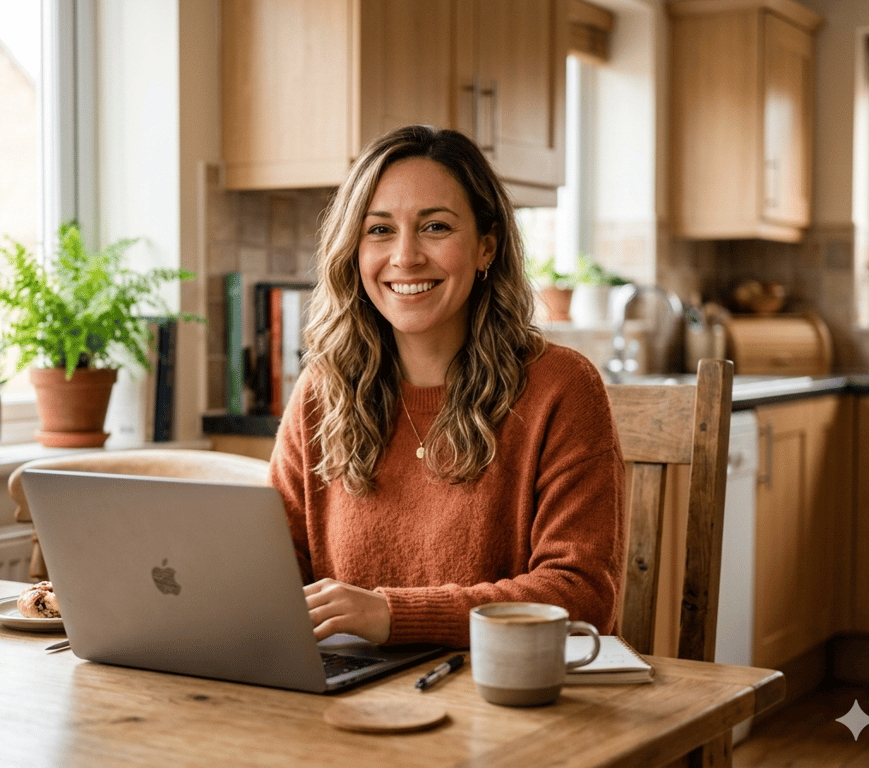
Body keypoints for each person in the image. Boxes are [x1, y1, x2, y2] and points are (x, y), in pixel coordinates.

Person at [268, 125, 626, 649]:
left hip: (506, 689)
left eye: (435, 227)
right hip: (352, 689)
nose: (405, 256)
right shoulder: (322, 391)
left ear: (486, 247)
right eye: (379, 230)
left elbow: (582, 594)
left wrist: (393, 615)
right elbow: (273, 573)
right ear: (353, 251)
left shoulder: (563, 389)